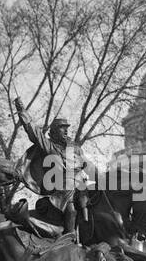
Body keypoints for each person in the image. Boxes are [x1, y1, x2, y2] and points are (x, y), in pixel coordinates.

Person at [13, 96, 93, 234]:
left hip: (81, 186)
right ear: (54, 131)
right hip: (62, 190)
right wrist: (22, 111)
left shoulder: (75, 148)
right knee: (71, 208)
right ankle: (69, 237)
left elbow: (87, 167)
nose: (66, 131)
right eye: (62, 128)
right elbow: (34, 132)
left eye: (67, 128)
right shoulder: (50, 147)